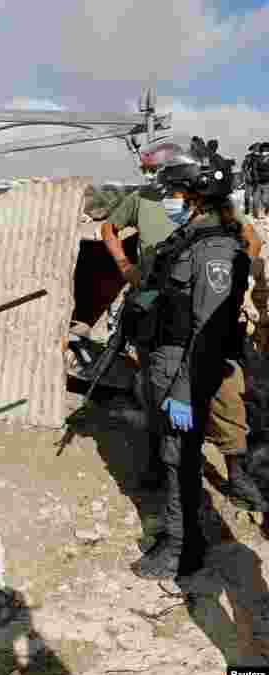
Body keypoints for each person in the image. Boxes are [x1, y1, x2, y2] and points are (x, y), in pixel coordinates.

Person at [101, 140, 266, 512]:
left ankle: (235, 473)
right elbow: (108, 229)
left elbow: (250, 241)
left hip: (207, 315)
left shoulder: (209, 209)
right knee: (159, 390)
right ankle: (162, 464)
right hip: (159, 316)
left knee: (224, 394)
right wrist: (128, 270)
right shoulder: (143, 200)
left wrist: (239, 282)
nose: (152, 179)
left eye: (156, 171)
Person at [127, 137, 252, 580]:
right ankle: (181, 534)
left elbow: (210, 331)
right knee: (171, 455)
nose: (169, 203)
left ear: (196, 197)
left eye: (175, 195)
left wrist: (182, 390)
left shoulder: (215, 250)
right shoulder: (188, 239)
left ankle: (184, 549)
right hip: (166, 362)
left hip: (185, 369)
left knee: (180, 458)